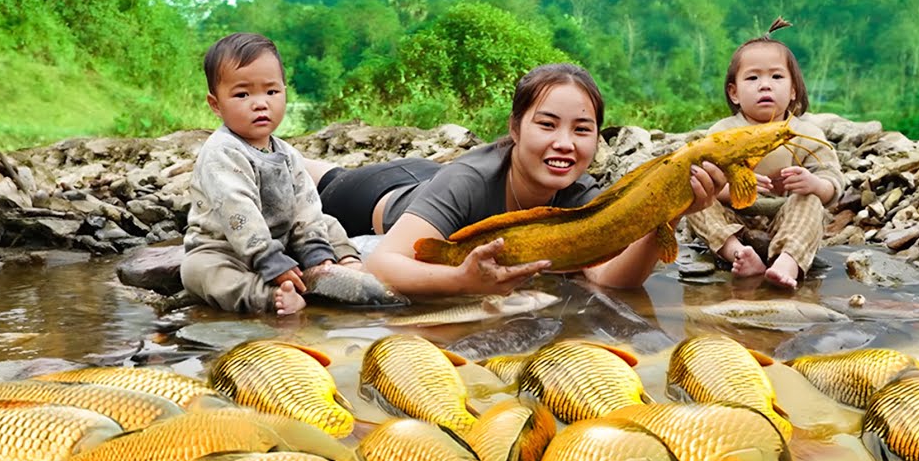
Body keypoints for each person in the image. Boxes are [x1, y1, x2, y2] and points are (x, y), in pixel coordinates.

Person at [307, 63, 727, 297]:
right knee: (319, 179)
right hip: (384, 195)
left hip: (437, 180)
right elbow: (382, 262)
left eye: (582, 130)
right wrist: (460, 281)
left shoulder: (582, 196)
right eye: (547, 125)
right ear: (515, 128)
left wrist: (667, 217)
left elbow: (609, 278)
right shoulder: (469, 180)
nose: (564, 143)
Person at [181, 32, 361, 316]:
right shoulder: (221, 151)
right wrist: (270, 262)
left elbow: (305, 204)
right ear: (216, 104)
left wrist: (316, 252)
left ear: (284, 92)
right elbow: (237, 209)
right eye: (242, 94)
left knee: (325, 221)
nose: (260, 103)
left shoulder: (287, 153)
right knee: (197, 271)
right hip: (227, 248)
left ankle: (344, 264)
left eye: (271, 91)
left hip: (282, 240)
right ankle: (268, 296)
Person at [685, 18, 845, 289]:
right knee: (695, 199)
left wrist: (815, 184)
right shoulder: (723, 132)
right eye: (752, 77)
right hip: (733, 221)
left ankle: (787, 262)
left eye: (777, 76)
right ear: (734, 93)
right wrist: (732, 186)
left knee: (811, 201)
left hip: (784, 220)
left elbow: (833, 181)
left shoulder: (805, 133)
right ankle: (738, 255)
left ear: (793, 90)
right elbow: (705, 178)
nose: (765, 85)